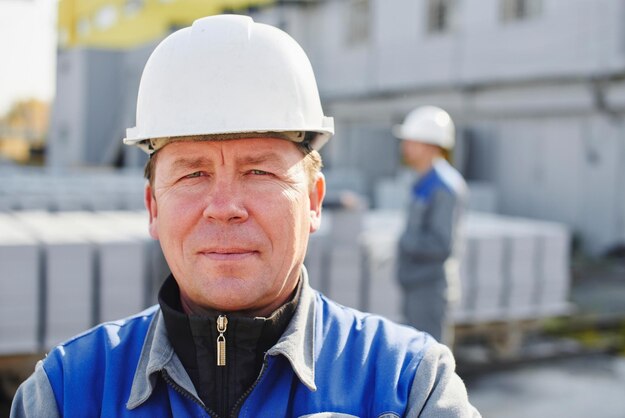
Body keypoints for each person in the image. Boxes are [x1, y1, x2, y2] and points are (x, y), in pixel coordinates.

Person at [11, 16, 480, 417]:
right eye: (193, 174)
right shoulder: (65, 392)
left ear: (314, 201)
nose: (225, 207)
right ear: (153, 207)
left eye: (258, 171)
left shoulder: (409, 387)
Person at [393, 106, 469, 347]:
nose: (405, 146)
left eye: (412, 140)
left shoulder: (444, 187)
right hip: (415, 283)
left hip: (430, 287)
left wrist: (403, 241)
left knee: (429, 361)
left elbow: (441, 244)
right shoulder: (422, 180)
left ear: (431, 145)